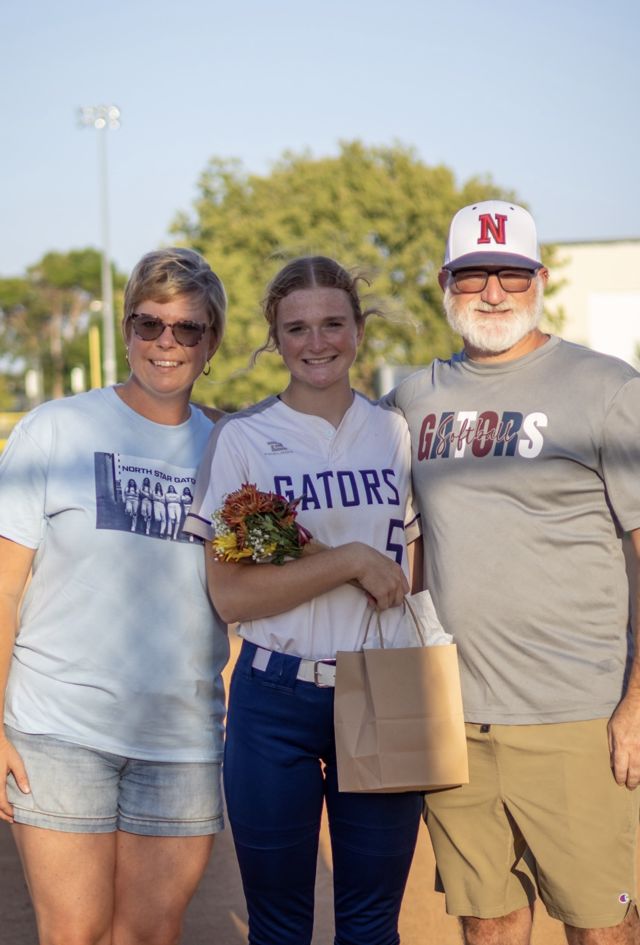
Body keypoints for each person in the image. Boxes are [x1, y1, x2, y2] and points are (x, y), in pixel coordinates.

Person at [387, 200, 640, 945]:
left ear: (540, 279)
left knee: (603, 923)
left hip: (578, 713)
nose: (493, 292)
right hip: (455, 717)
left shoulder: (606, 388)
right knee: (487, 919)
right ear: (446, 283)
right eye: (473, 276)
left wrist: (637, 700)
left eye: (511, 274)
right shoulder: (414, 398)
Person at [185, 256, 423, 945]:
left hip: (381, 686)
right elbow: (230, 595)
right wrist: (349, 560)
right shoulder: (243, 438)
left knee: (372, 926)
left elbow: (411, 576)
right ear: (274, 338)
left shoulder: (393, 433)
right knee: (280, 927)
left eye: (332, 324)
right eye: (296, 328)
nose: (316, 342)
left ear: (359, 331)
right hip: (275, 697)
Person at [0, 247, 229, 945]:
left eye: (187, 328)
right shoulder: (55, 429)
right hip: (58, 728)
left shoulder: (231, 449)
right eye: (149, 323)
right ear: (127, 329)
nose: (166, 342)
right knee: (75, 933)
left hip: (181, 736)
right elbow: (4, 587)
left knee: (151, 933)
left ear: (211, 342)